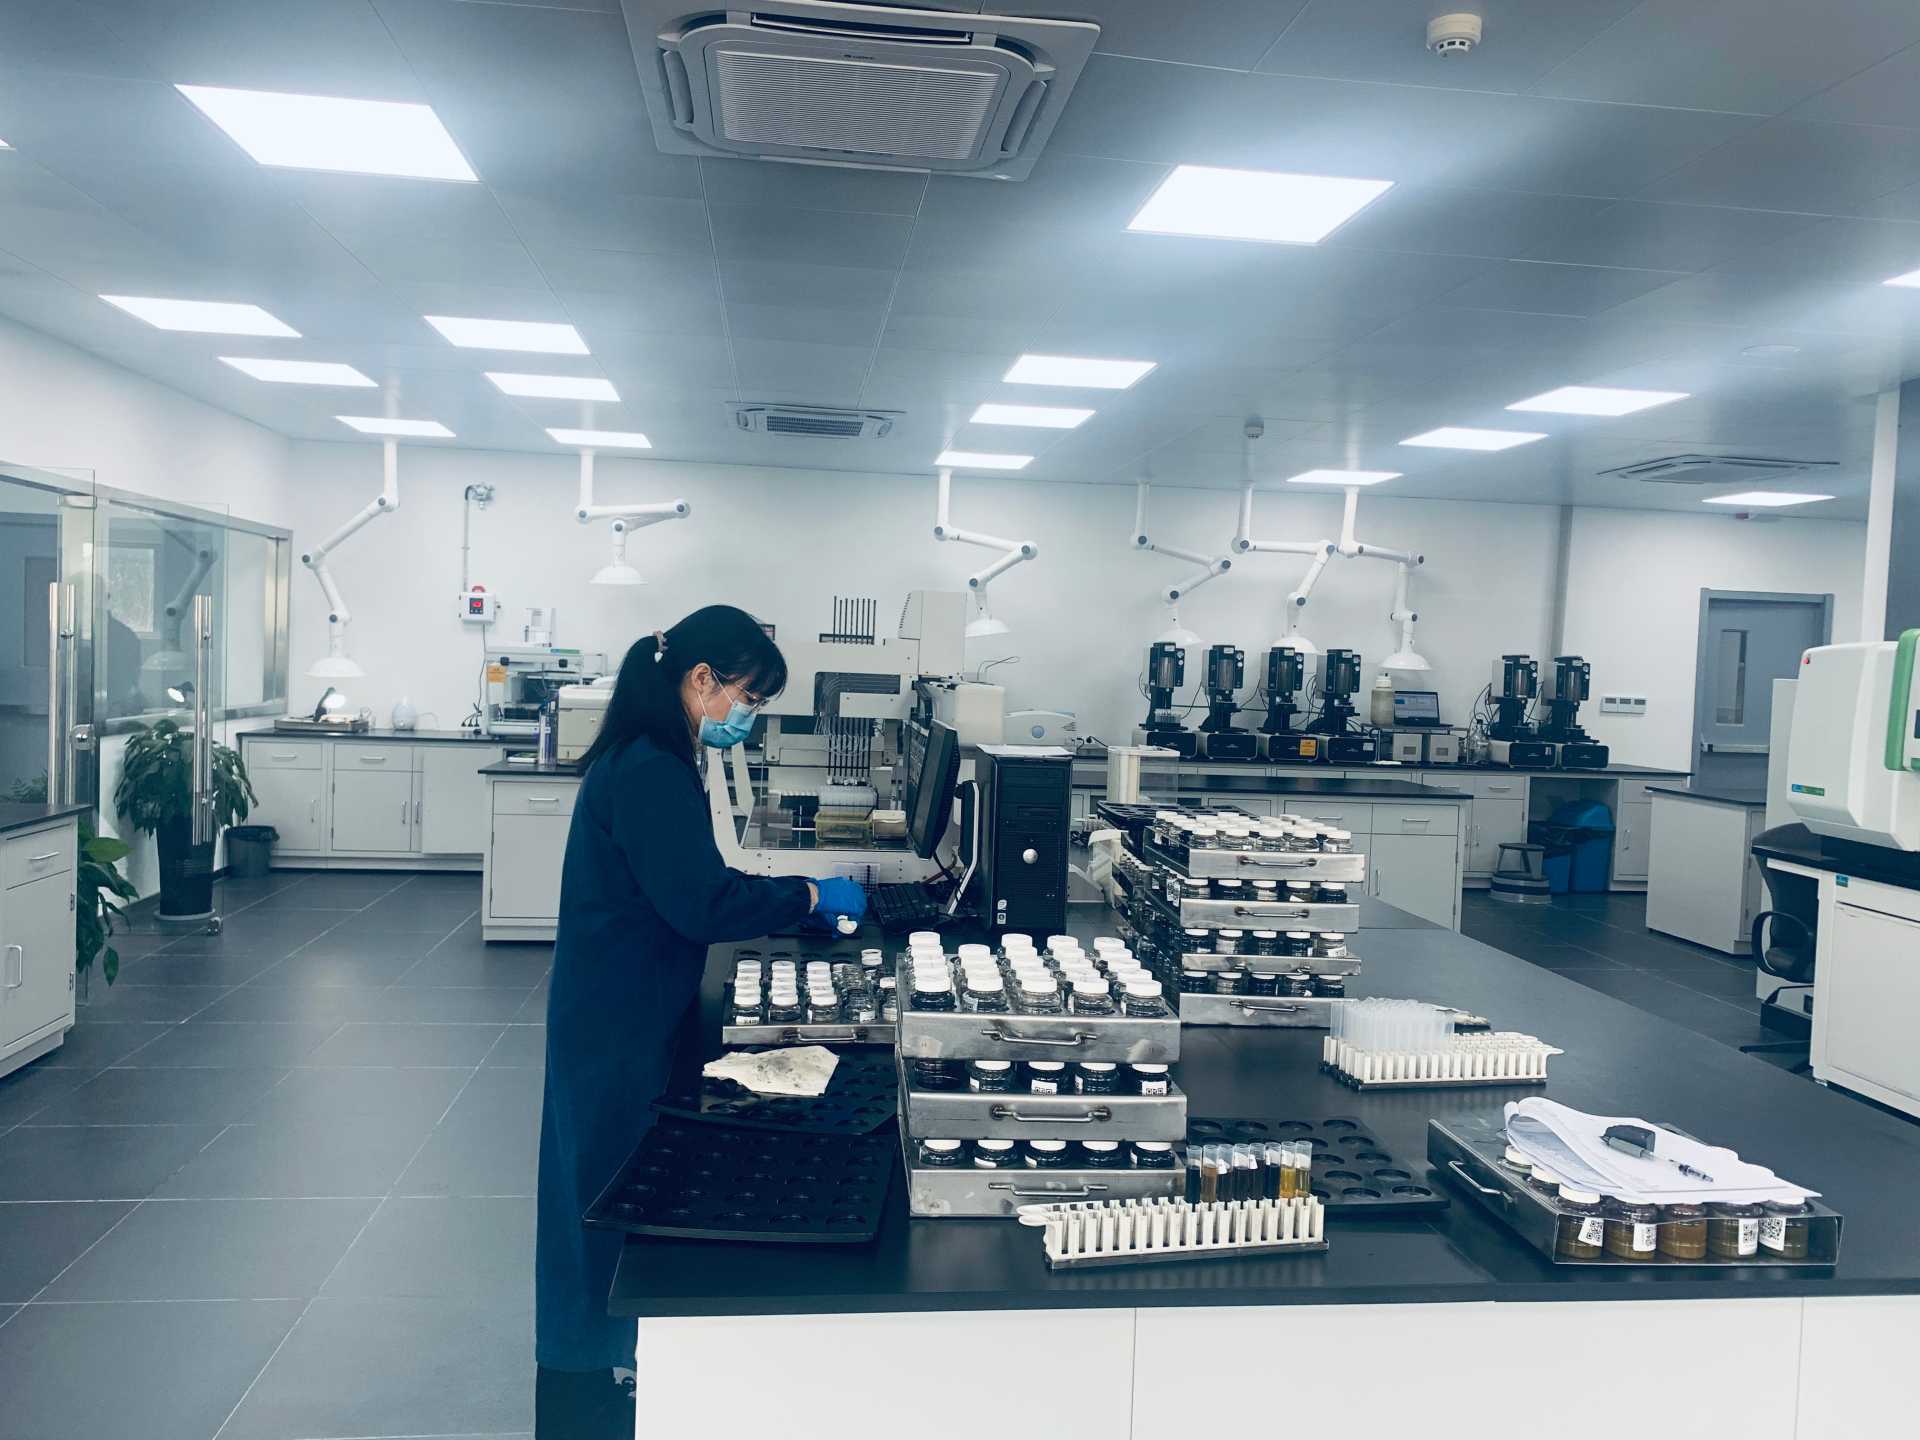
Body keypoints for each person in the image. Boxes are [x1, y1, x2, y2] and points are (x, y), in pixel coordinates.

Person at [534, 605, 866, 1437]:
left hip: (622, 997)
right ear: (701, 679)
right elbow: (699, 903)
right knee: (601, 1192)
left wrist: (786, 897)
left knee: (602, 1181)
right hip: (616, 1016)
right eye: (748, 697)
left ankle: (605, 1364)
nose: (747, 717)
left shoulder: (653, 754)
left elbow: (690, 882)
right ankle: (584, 1387)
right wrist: (808, 895)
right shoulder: (650, 767)